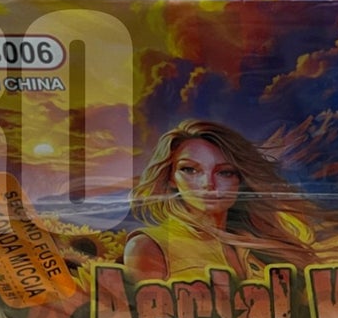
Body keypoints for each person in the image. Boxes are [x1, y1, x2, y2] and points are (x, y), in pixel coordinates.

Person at [121, 120, 321, 282]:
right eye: (189, 169)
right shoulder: (149, 247)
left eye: (225, 172)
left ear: (240, 180)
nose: (208, 184)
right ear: (171, 178)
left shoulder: (260, 247)